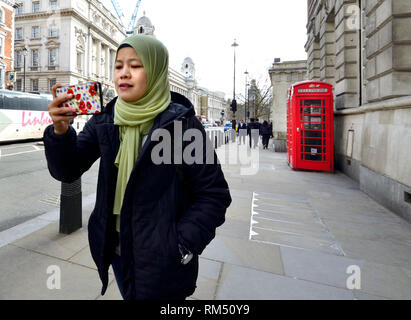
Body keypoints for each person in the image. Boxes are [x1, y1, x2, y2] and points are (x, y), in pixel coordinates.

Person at [43, 35, 232, 300]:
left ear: (154, 71)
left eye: (135, 65)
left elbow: (214, 194)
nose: (124, 73)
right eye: (119, 66)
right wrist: (60, 132)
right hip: (118, 252)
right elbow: (67, 170)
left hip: (163, 261)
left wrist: (180, 245)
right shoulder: (106, 119)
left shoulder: (182, 125)